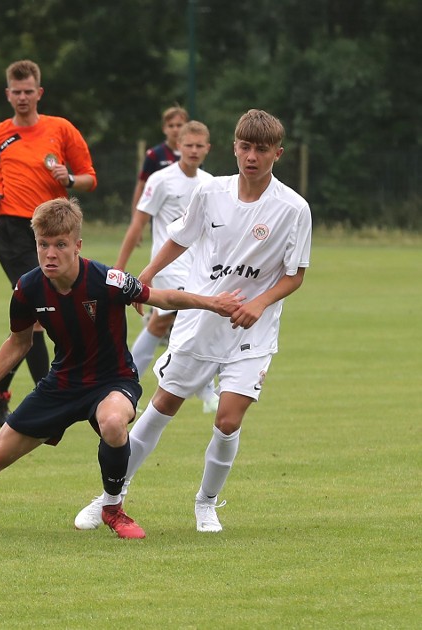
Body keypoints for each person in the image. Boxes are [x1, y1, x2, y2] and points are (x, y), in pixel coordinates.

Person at [0, 197, 244, 539]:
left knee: (114, 422)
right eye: (43, 244)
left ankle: (113, 508)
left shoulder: (107, 281)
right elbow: (18, 342)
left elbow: (160, 296)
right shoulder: (27, 289)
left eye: (59, 245)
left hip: (112, 381)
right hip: (61, 385)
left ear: (77, 245)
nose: (50, 254)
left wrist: (212, 303)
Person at [74, 109, 312, 535]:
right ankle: (112, 496)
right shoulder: (211, 193)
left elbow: (295, 275)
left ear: (278, 153)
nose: (251, 157)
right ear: (234, 147)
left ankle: (206, 502)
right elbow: (179, 239)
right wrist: (142, 279)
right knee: (163, 405)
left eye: (261, 149)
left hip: (251, 331)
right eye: (244, 147)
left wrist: (259, 304)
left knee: (228, 420)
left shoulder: (293, 208)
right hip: (200, 320)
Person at [0, 59, 97, 426]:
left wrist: (69, 179)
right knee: (40, 315)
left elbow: (90, 178)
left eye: (29, 91)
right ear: (8, 94)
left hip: (52, 231)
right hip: (12, 231)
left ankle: (2, 386)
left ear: (39, 93)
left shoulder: (61, 129)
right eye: (16, 91)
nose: (23, 97)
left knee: (38, 317)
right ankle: (50, 397)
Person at [113, 121, 219, 419]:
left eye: (200, 146)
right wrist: (120, 269)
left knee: (162, 325)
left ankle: (124, 385)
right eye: (189, 145)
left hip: (200, 267)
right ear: (178, 147)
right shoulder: (160, 180)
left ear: (208, 149)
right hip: (169, 266)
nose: (194, 150)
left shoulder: (210, 183)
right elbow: (138, 223)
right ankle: (206, 390)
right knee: (191, 317)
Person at [127, 105, 189, 239]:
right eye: (171, 125)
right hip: (163, 217)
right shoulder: (154, 155)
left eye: (179, 125)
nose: (175, 129)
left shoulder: (193, 155)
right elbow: (141, 186)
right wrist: (136, 222)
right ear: (164, 129)